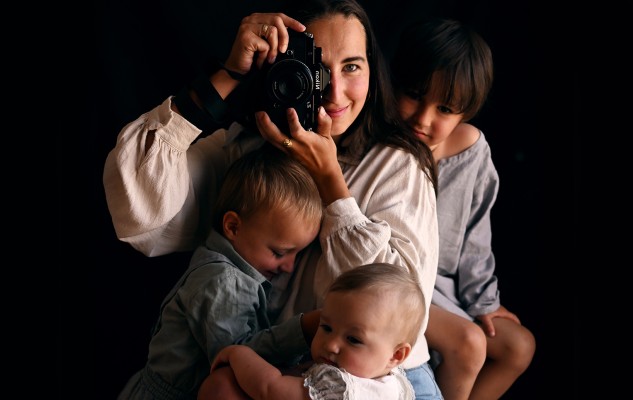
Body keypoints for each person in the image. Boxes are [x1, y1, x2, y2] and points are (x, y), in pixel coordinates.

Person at [103, 0, 441, 398]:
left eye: (351, 66)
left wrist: (331, 180)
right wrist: (228, 75)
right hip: (270, 377)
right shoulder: (246, 150)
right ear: (284, 68)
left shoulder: (396, 165)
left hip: (381, 384)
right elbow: (139, 217)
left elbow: (398, 313)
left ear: (372, 70)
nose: (333, 91)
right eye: (316, 68)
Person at [390, 18, 536, 400]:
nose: (423, 118)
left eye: (444, 109)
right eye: (414, 94)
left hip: (447, 289)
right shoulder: (385, 143)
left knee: (519, 346)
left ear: (465, 113)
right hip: (402, 282)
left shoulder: (472, 150)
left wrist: (485, 301)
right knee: (469, 344)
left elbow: (475, 238)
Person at [117, 145, 324, 399]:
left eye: (297, 255)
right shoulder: (223, 282)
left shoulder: (222, 265)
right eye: (280, 252)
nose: (289, 267)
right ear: (233, 227)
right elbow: (236, 357)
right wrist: (301, 331)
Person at [198, 263, 425, 400]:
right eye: (326, 327)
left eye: (353, 339)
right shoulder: (397, 386)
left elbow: (270, 389)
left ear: (396, 356)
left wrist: (238, 354)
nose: (331, 344)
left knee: (220, 388)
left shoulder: (338, 387)